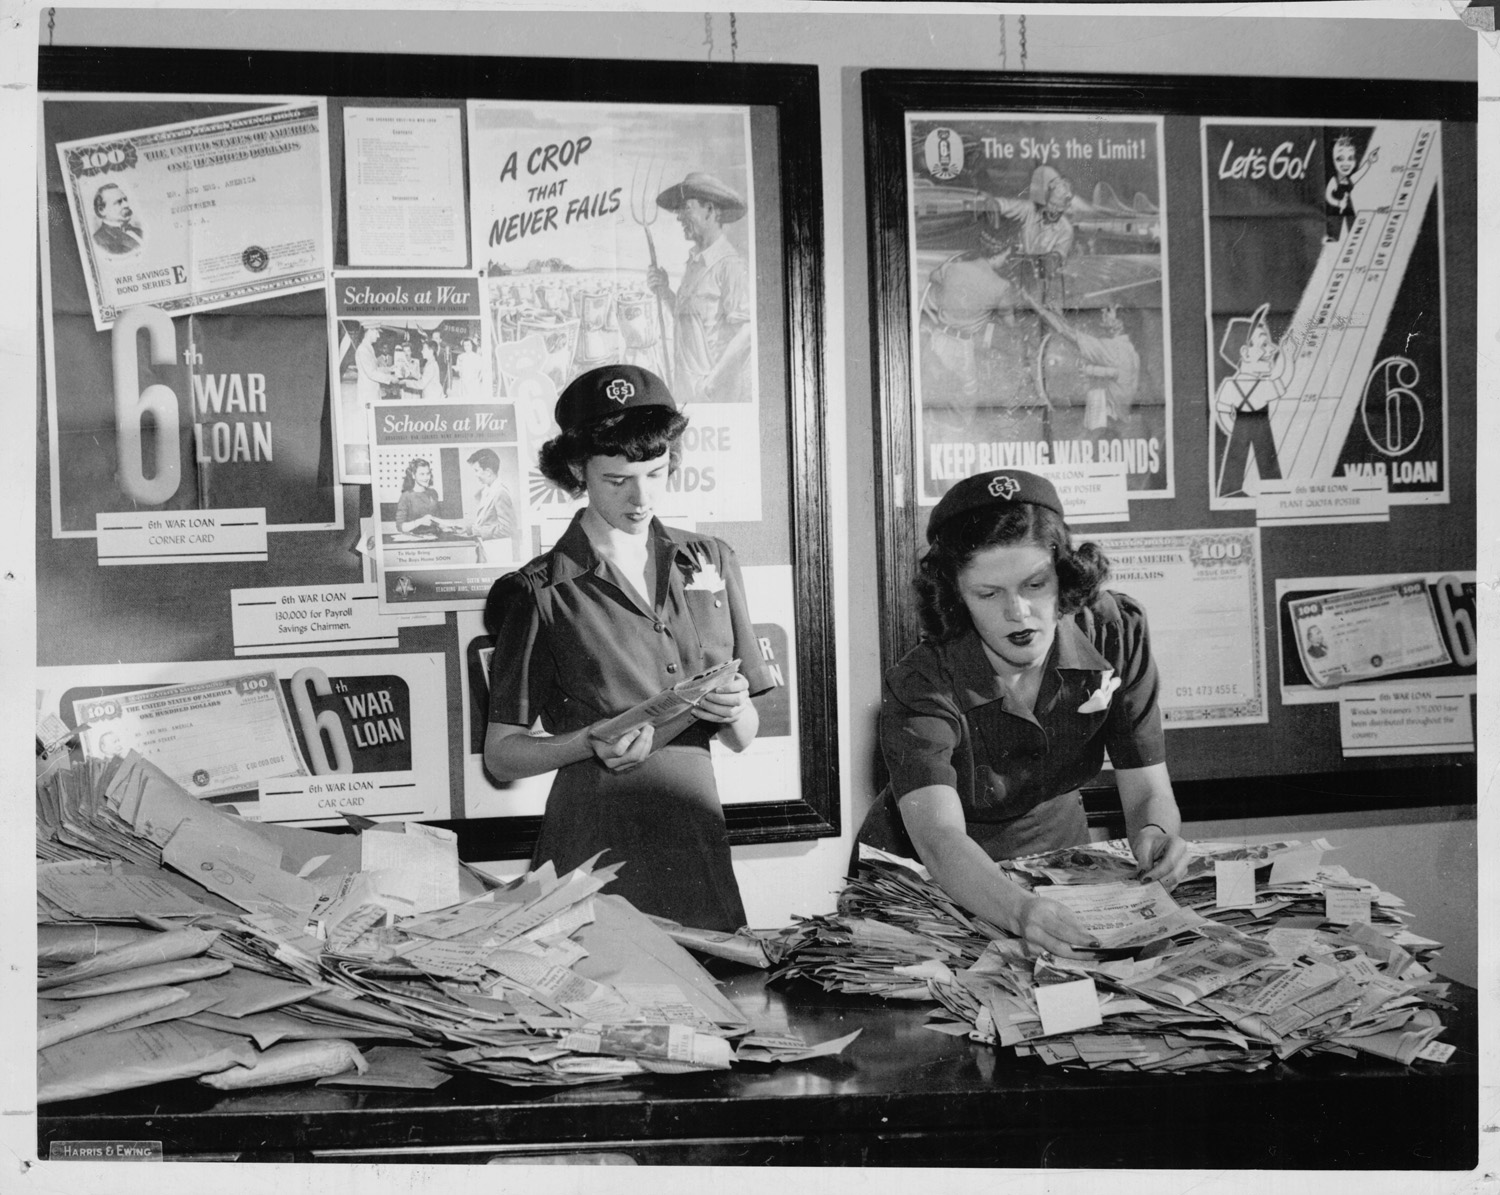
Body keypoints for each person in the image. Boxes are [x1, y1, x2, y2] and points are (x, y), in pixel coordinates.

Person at [855, 469, 1190, 958]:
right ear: (955, 595)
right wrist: (1018, 911)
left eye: (1035, 584)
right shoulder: (921, 681)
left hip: (1057, 850)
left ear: (1065, 574)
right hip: (929, 877)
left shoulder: (1116, 631)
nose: (1018, 612)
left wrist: (1157, 834)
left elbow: (1148, 788)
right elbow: (938, 836)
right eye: (988, 594)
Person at [483, 364, 772, 931]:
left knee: (713, 1003)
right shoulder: (537, 590)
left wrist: (735, 709)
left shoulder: (711, 559)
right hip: (594, 841)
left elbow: (743, 737)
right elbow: (502, 755)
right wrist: (590, 741)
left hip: (695, 838)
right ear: (577, 471)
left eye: (657, 474)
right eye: (617, 481)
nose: (641, 498)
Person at [647, 172, 752, 404]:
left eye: (686, 208)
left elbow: (746, 332)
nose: (679, 218)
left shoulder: (729, 265)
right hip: (686, 393)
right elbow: (691, 322)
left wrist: (711, 383)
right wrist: (665, 291)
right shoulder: (696, 263)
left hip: (713, 399)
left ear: (710, 211)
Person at [1215, 303, 1295, 499]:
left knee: (1267, 463)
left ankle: (1271, 491)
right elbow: (1222, 411)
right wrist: (1288, 357)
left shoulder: (1262, 386)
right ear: (1245, 353)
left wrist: (1287, 356)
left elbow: (1282, 381)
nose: (1272, 349)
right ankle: (1232, 492)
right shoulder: (1231, 387)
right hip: (1246, 429)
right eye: (1264, 344)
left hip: (1255, 429)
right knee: (1239, 464)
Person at [1324, 133, 1379, 245]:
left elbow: (1360, 173)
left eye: (1350, 158)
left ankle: (1355, 237)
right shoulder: (1334, 180)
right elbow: (1328, 195)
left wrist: (1369, 161)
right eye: (1340, 159)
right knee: (1334, 222)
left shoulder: (1349, 179)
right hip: (1336, 207)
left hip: (1348, 205)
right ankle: (1333, 237)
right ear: (1333, 161)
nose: (1346, 163)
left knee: (1352, 221)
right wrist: (1338, 203)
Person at [465, 448, 518, 555]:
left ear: (488, 472)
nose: (475, 475)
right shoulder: (487, 490)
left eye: (476, 470)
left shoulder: (500, 493)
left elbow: (507, 529)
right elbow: (487, 521)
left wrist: (477, 531)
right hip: (488, 548)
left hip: (498, 551)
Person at [393, 457, 453, 535]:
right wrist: (420, 521)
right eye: (422, 474)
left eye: (428, 474)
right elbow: (400, 527)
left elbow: (437, 520)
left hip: (435, 537)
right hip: (414, 540)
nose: (426, 477)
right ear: (413, 475)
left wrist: (447, 527)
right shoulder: (406, 496)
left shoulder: (433, 493)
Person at [91, 182, 142, 255]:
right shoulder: (99, 240)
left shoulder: (139, 231)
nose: (126, 205)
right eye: (119, 202)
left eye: (125, 199)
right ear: (102, 210)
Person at [354, 326, 395, 407]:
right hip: (368, 395)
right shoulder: (363, 349)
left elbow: (375, 369)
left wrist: (389, 369)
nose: (378, 336)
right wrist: (391, 378)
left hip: (372, 392)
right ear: (369, 331)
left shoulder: (369, 348)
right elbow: (371, 373)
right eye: (377, 332)